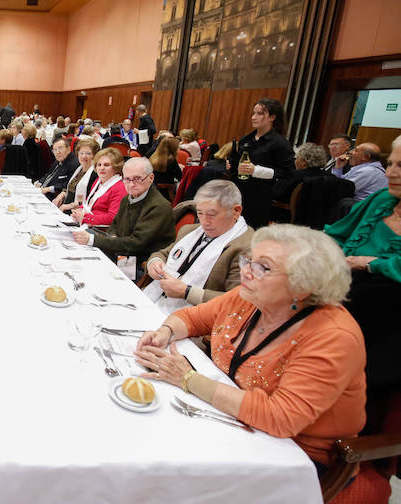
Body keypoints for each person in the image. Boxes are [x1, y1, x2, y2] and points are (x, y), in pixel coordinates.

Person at [135, 225, 365, 468]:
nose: (246, 272)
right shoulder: (249, 296)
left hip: (293, 455)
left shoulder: (333, 337)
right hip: (229, 418)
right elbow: (193, 318)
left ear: (304, 286)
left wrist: (189, 379)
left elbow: (281, 417)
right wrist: (166, 332)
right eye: (249, 261)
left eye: (263, 268)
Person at [324, 134, 401, 429]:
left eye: (400, 166)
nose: (390, 173)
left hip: (388, 318)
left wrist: (370, 263)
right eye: (390, 163)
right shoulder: (381, 199)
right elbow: (336, 234)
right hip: (343, 293)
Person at [144, 180, 253, 312]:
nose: (204, 222)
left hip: (197, 316)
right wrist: (155, 263)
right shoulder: (190, 231)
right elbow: (164, 253)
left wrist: (187, 292)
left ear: (236, 211)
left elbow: (238, 301)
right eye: (200, 213)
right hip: (155, 299)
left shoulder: (247, 248)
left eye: (212, 214)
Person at [73, 157, 175, 271]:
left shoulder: (159, 207)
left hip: (141, 265)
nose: (131, 184)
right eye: (127, 179)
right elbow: (114, 225)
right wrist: (112, 237)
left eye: (137, 179)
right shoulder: (127, 198)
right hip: (122, 254)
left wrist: (93, 240)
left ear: (151, 178)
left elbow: (136, 243)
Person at [229, 98, 295, 228]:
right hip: (239, 192)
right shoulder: (246, 139)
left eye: (260, 114)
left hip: (260, 196)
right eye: (254, 113)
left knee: (251, 230)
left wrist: (257, 171)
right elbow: (237, 166)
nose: (254, 117)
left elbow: (288, 173)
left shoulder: (280, 143)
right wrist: (232, 166)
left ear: (272, 117)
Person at [71, 148, 127, 228]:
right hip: (88, 224)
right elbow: (88, 202)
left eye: (106, 165)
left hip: (100, 230)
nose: (101, 168)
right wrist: (79, 211)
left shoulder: (120, 188)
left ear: (116, 167)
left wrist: (86, 218)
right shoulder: (98, 181)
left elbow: (113, 218)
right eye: (99, 165)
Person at [54, 138, 99, 212]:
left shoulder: (95, 174)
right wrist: (61, 195)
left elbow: (90, 200)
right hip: (65, 208)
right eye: (81, 153)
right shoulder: (79, 169)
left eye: (88, 153)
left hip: (77, 212)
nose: (84, 156)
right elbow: (69, 187)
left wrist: (69, 206)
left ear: (95, 156)